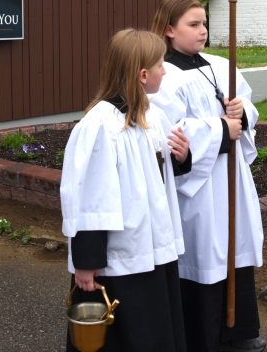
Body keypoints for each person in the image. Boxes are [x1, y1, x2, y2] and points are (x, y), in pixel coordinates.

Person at [60, 29, 192, 352]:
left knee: (156, 327)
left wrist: (182, 156)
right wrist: (87, 262)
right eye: (161, 64)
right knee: (124, 334)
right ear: (143, 74)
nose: (166, 70)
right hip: (119, 257)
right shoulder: (101, 126)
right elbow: (91, 196)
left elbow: (158, 170)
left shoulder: (153, 115)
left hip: (155, 244)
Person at [150, 0, 266, 352]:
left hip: (231, 178)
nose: (203, 31)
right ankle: (206, 337)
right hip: (199, 188)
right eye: (193, 24)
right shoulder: (163, 76)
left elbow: (248, 105)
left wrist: (241, 111)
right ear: (169, 29)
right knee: (206, 251)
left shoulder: (219, 64)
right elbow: (169, 132)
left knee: (236, 246)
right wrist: (220, 129)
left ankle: (238, 329)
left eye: (205, 23)